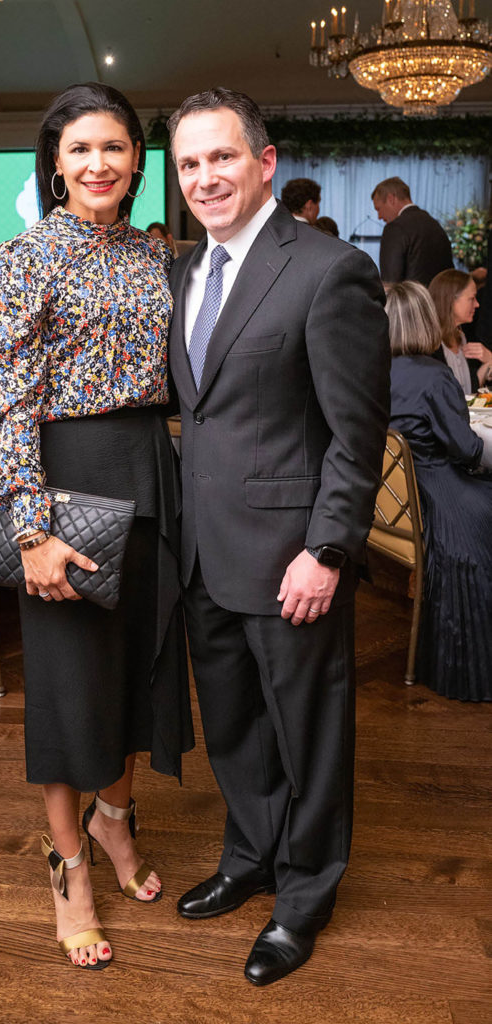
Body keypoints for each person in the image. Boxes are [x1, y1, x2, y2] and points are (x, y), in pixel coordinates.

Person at [167, 87, 390, 987]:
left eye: (221, 157)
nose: (205, 177)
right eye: (188, 164)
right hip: (202, 552)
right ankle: (249, 855)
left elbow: (355, 428)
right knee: (233, 730)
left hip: (291, 555)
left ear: (263, 162)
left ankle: (303, 896)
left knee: (308, 735)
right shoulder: (185, 269)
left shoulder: (327, 269)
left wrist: (327, 547)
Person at [0, 82, 193, 973]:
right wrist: (30, 527)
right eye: (80, 150)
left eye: (113, 147)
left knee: (140, 662)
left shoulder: (157, 257)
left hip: (151, 467)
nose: (98, 163)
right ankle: (66, 864)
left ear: (136, 159)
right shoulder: (24, 258)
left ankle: (114, 820)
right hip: (65, 485)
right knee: (71, 680)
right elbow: (8, 400)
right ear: (56, 165)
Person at [387, 281, 492, 701]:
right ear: (426, 322)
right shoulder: (433, 376)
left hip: (399, 504)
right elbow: (466, 449)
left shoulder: (370, 370)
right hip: (438, 496)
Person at [372, 176, 453, 286]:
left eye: (379, 209)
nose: (379, 217)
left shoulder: (395, 228)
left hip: (411, 302)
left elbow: (390, 284)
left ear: (391, 199)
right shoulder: (435, 225)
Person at [428, 269, 492, 392]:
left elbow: (467, 391)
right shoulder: (429, 347)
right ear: (451, 301)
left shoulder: (461, 337)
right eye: (472, 298)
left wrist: (489, 361)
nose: (477, 304)